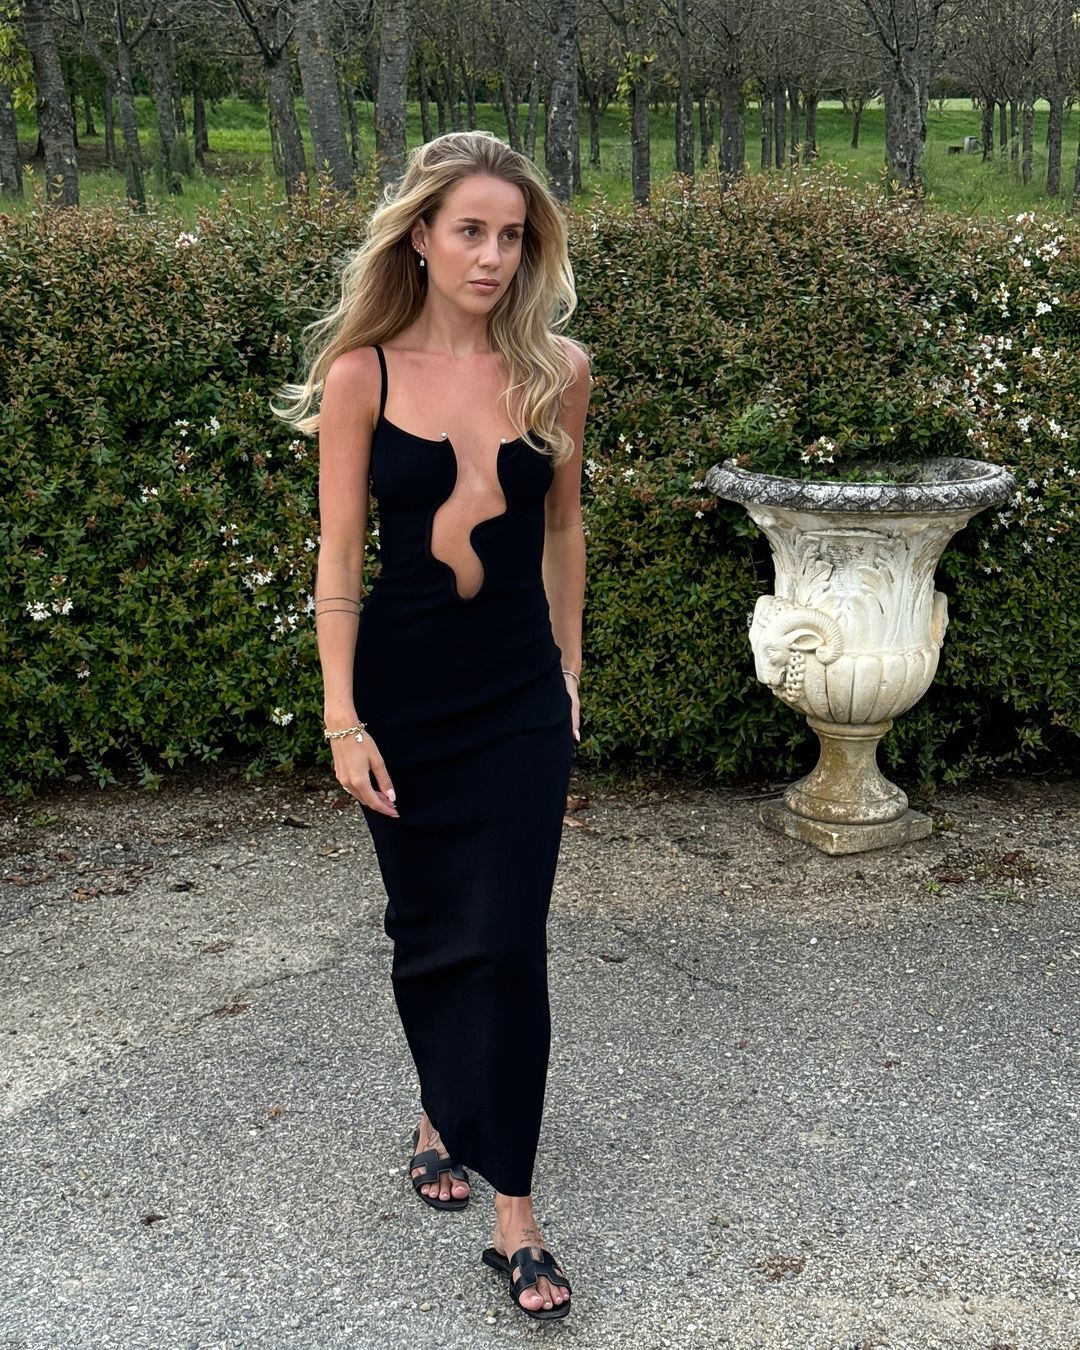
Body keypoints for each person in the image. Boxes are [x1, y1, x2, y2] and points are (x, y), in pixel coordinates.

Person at [271, 130, 591, 1322]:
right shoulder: (364, 373)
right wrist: (341, 717)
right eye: (470, 231)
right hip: (404, 696)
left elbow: (563, 531)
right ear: (419, 236)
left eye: (513, 235)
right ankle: (437, 1111)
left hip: (516, 698)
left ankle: (517, 1217)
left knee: (505, 940)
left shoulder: (558, 371)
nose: (493, 256)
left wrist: (569, 672)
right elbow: (338, 558)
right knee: (432, 928)